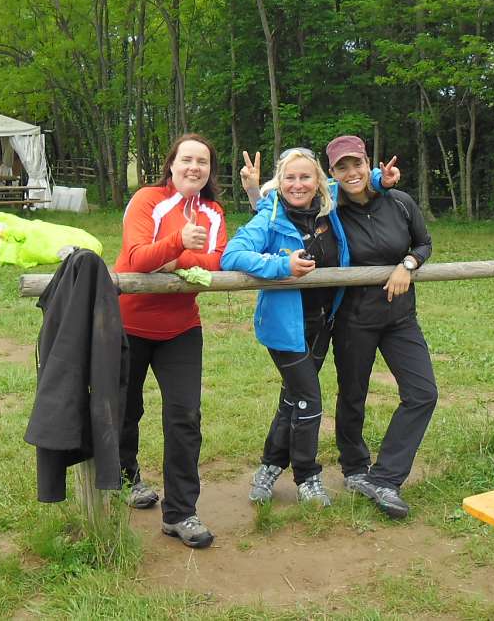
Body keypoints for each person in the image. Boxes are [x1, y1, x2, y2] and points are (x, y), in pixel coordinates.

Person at [115, 133, 228, 548]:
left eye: (203, 161)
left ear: (210, 171)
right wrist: (179, 243)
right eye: (187, 159)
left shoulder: (213, 212)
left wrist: (169, 258)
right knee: (125, 409)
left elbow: (217, 263)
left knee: (185, 416)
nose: (194, 167)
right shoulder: (148, 200)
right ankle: (126, 479)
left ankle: (180, 512)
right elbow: (135, 258)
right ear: (172, 164)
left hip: (181, 328)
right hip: (127, 323)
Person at [221, 148, 345, 507]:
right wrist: (282, 266)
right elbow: (232, 255)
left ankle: (270, 467)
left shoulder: (329, 206)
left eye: (305, 177)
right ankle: (307, 477)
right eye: (290, 177)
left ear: (319, 181)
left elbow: (357, 180)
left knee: (293, 398)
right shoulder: (270, 216)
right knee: (309, 400)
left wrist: (382, 180)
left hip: (323, 324)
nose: (298, 184)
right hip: (284, 328)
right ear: (279, 181)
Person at [327, 135, 436, 520]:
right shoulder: (330, 209)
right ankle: (355, 468)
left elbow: (424, 243)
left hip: (400, 318)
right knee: (353, 395)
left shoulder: (400, 202)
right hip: (353, 320)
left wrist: (408, 265)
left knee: (423, 393)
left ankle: (385, 477)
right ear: (332, 173)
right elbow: (289, 197)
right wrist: (253, 190)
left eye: (356, 164)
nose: (351, 173)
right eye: (341, 167)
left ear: (367, 162)